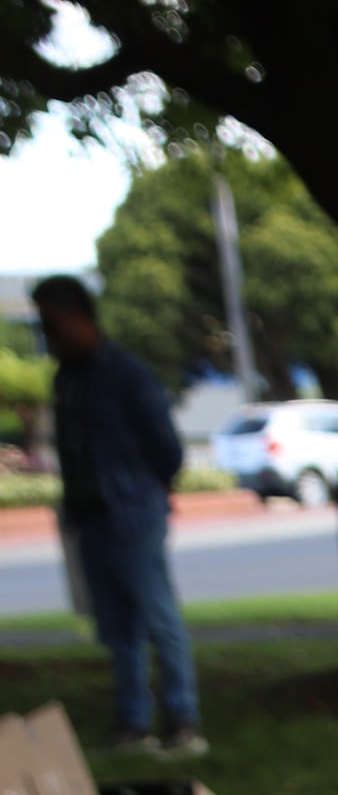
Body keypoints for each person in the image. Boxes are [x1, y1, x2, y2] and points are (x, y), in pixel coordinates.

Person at [31, 275, 205, 756]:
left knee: (159, 618)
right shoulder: (67, 378)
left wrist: (143, 494)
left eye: (52, 323)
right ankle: (133, 723)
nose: (48, 335)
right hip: (90, 522)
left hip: (133, 518)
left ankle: (182, 719)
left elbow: (167, 449)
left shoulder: (126, 373)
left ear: (78, 318)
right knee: (117, 630)